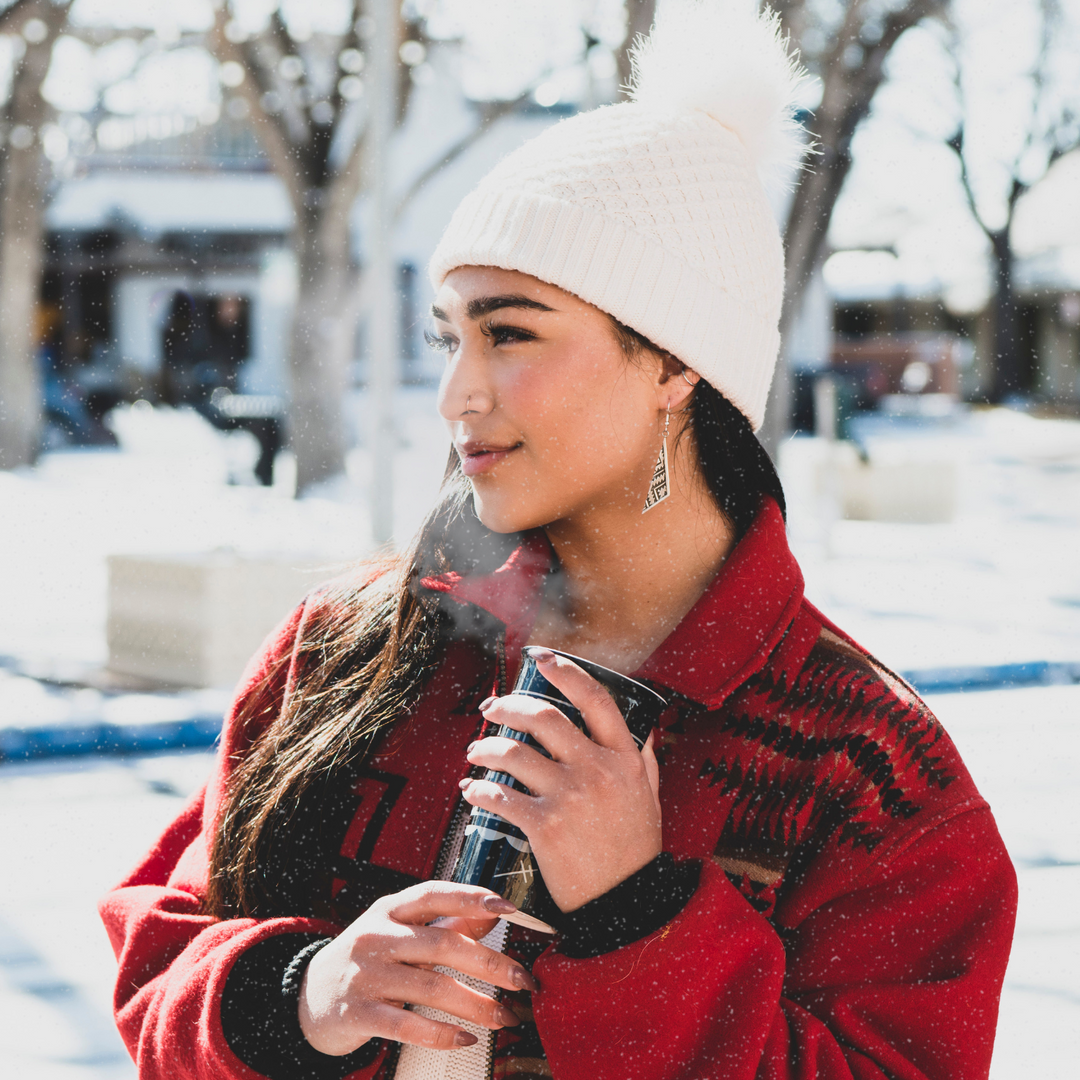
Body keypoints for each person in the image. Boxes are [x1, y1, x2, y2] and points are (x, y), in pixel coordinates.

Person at [99, 4, 1016, 1078]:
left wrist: (637, 913)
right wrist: (306, 993)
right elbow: (156, 956)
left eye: (511, 333)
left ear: (676, 364)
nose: (456, 392)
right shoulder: (347, 651)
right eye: (451, 335)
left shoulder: (868, 768)